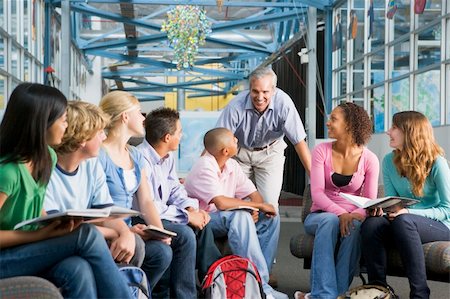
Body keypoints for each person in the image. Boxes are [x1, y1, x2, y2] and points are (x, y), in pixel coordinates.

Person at [0, 83, 131, 299]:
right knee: (86, 235)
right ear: (43, 123)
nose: (66, 126)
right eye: (63, 120)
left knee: (77, 268)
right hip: (6, 258)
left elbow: (34, 210)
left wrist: (53, 224)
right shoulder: (7, 172)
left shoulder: (46, 158)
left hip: (23, 250)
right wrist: (39, 235)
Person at [184, 127, 289, 299]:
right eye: (234, 139)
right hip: (205, 221)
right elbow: (221, 203)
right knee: (240, 216)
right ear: (225, 150)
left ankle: (260, 280)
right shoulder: (204, 166)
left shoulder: (231, 165)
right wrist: (256, 207)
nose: (237, 141)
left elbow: (254, 194)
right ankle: (261, 286)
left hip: (224, 218)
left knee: (271, 217)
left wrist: (256, 208)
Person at [361, 111, 450, 299]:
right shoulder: (388, 161)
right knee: (372, 224)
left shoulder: (437, 163)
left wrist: (407, 212)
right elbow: (394, 202)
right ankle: (378, 290)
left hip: (440, 225)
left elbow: (447, 209)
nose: (388, 132)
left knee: (404, 221)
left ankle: (419, 294)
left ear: (410, 132)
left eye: (394, 127)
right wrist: (382, 209)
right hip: (405, 221)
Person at [44, 100, 144, 266]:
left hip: (85, 235)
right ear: (82, 138)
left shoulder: (91, 164)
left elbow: (105, 213)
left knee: (135, 244)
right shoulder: (46, 170)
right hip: (61, 242)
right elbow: (59, 228)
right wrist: (114, 233)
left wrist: (125, 233)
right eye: (100, 132)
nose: (104, 137)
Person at [295, 102, 379, 299]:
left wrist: (353, 215)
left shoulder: (369, 159)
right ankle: (323, 294)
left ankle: (338, 294)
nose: (328, 123)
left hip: (353, 215)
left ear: (349, 125)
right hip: (320, 215)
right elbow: (317, 193)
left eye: (333, 119)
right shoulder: (320, 151)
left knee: (355, 226)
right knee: (330, 220)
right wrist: (341, 213)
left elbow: (369, 200)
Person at [136, 107, 222, 298]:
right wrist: (187, 216)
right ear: (167, 137)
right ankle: (184, 295)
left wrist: (190, 207)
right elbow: (149, 205)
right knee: (184, 233)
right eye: (179, 132)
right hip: (143, 218)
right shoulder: (141, 159)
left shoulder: (167, 157)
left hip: (164, 214)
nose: (182, 136)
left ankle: (213, 283)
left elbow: (175, 188)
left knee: (203, 224)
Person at [98, 91, 172, 292]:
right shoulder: (99, 154)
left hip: (128, 227)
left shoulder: (136, 155)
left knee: (162, 251)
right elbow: (96, 205)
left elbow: (146, 200)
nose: (143, 118)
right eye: (139, 112)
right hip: (105, 228)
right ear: (125, 116)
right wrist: (126, 231)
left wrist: (159, 231)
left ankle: (138, 292)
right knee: (139, 246)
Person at [216, 66, 311, 212]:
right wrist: (205, 171)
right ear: (250, 89)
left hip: (270, 153)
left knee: (270, 206)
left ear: (273, 90)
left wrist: (315, 178)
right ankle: (244, 234)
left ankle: (265, 235)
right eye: (255, 91)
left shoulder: (284, 103)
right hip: (240, 154)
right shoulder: (236, 105)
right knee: (236, 204)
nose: (260, 97)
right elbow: (218, 141)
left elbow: (299, 142)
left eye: (265, 92)